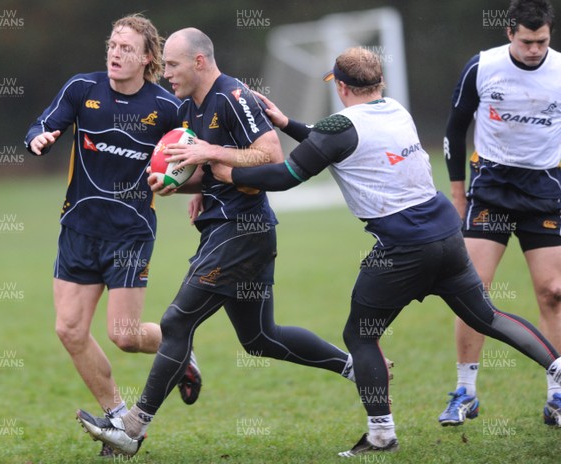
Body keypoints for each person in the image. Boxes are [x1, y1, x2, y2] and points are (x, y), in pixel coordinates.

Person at [209, 47, 561, 455]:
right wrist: (287, 123)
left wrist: (227, 171)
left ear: (341, 86)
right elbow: (333, 144)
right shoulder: (396, 110)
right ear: (378, 83)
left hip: (402, 248)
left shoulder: (340, 124)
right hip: (446, 234)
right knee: (488, 316)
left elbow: (289, 175)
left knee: (360, 335)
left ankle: (381, 434)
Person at [75, 27, 361, 457]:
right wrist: (177, 183)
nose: (165, 72)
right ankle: (357, 367)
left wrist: (209, 152)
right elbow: (206, 171)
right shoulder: (191, 107)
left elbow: (269, 156)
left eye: (171, 64)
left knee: (175, 324)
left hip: (241, 232)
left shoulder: (234, 97)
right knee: (261, 338)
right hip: (230, 229)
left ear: (199, 62)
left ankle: (131, 428)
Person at [24, 14, 202, 456]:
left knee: (124, 335)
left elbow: (191, 155)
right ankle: (118, 417)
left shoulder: (167, 106)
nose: (115, 53)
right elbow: (41, 124)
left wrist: (188, 184)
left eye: (126, 48)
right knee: (69, 330)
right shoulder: (82, 90)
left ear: (146, 58)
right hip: (79, 230)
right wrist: (39, 139)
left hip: (130, 234)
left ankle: (179, 349)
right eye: (112, 45)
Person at [439, 0, 561, 427]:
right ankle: (465, 392)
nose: (534, 50)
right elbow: (454, 129)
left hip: (546, 194)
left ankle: (557, 395)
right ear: (510, 32)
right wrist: (458, 193)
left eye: (542, 41)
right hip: (490, 192)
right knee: (473, 293)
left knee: (554, 292)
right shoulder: (483, 67)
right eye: (527, 41)